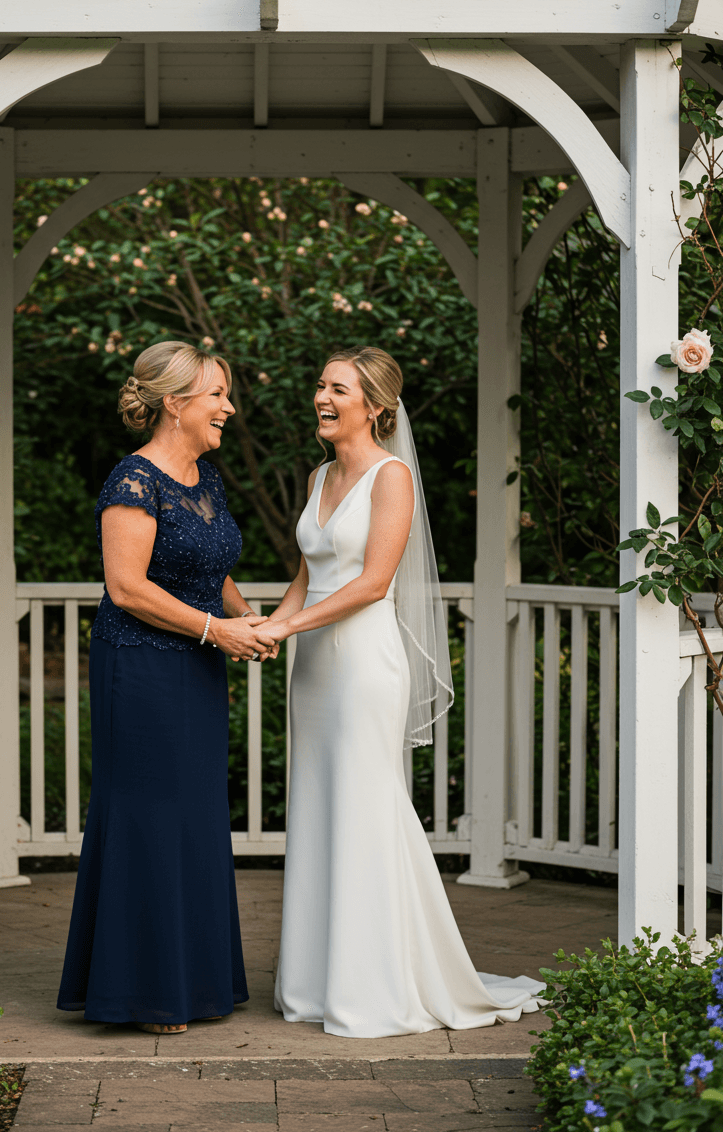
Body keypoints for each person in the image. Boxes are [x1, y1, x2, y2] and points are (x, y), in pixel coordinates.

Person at [264, 345, 543, 1038]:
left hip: (363, 663)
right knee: (320, 808)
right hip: (314, 671)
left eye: (337, 389)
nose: (322, 398)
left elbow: (370, 583)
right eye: (320, 385)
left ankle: (377, 988)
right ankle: (314, 983)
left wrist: (292, 623)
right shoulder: (317, 475)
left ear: (376, 406)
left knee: (367, 807)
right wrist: (270, 626)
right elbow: (311, 570)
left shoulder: (392, 479)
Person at [57, 341, 275, 1034]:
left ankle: (196, 979)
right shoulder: (134, 479)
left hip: (199, 669)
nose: (228, 408)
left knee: (194, 818)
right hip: (142, 669)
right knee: (149, 818)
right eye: (217, 396)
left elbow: (209, 564)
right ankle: (143, 990)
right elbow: (127, 588)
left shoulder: (204, 479)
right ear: (176, 404)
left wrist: (245, 617)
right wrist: (218, 630)